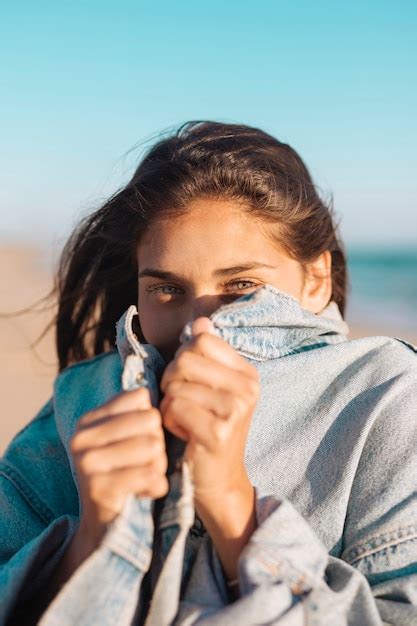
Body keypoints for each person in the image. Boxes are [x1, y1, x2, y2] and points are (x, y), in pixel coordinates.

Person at [1, 120, 416, 626]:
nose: (201, 329)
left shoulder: (388, 395)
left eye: (241, 286)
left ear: (317, 279)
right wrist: (90, 542)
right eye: (166, 289)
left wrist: (232, 506)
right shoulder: (80, 397)